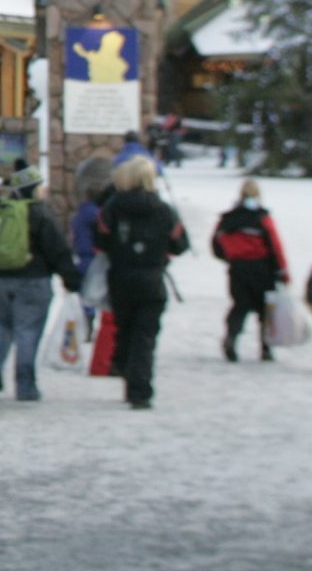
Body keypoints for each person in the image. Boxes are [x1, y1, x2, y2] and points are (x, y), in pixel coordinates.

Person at [0, 165, 81, 401]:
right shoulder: (40, 213)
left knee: (2, 321)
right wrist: (70, 278)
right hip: (32, 278)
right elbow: (56, 248)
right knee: (27, 328)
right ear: (34, 188)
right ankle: (25, 385)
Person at [95, 155, 190, 410]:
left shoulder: (113, 207)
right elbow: (181, 243)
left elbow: (100, 240)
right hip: (152, 278)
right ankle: (140, 391)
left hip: (121, 279)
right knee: (145, 336)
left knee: (125, 329)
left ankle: (124, 365)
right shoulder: (163, 209)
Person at [212, 179, 290, 362]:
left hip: (237, 268)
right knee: (267, 309)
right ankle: (266, 348)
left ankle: (231, 337)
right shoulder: (262, 218)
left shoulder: (227, 219)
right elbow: (275, 246)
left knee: (240, 305)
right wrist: (283, 271)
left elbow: (215, 245)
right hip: (262, 268)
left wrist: (230, 258)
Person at [68, 156, 115, 332]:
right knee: (96, 290)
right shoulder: (97, 214)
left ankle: (86, 319)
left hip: (81, 257)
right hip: (94, 257)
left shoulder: (79, 214)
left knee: (85, 292)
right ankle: (90, 321)